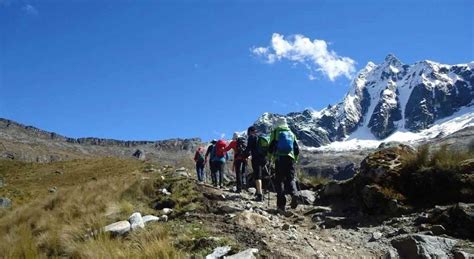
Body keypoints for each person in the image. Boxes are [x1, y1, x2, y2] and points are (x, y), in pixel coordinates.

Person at [269, 117, 300, 213]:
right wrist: (295, 159)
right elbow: (297, 149)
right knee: (290, 179)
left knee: (279, 181)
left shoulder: (275, 132)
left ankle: (281, 205)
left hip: (279, 159)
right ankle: (294, 193)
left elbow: (271, 147)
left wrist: (270, 158)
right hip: (290, 159)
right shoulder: (291, 133)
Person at [246, 126, 269, 201]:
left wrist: (244, 155)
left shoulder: (251, 137)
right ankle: (263, 192)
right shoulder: (260, 138)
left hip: (256, 158)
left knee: (257, 176)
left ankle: (259, 195)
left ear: (250, 131)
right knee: (263, 175)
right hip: (264, 158)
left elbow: (248, 148)